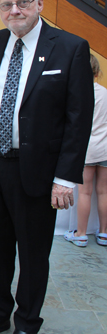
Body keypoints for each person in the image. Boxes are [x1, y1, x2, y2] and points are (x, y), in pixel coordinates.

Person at [0, 0, 94, 334]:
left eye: (23, 2)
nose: (15, 10)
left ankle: (26, 321)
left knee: (34, 254)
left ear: (39, 3)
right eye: (7, 4)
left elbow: (77, 120)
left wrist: (65, 178)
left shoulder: (70, 47)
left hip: (38, 171)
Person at [64, 55, 107, 247]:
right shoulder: (105, 93)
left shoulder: (76, 93)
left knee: (85, 193)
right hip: (105, 147)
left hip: (87, 149)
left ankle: (81, 234)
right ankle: (104, 233)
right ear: (97, 72)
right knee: (104, 192)